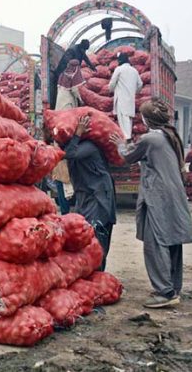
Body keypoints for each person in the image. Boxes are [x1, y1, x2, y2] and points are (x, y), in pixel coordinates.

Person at [110, 98, 192, 309]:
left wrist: (120, 144)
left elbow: (128, 156)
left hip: (158, 196)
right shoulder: (170, 135)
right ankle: (173, 287)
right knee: (172, 240)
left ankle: (164, 292)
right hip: (174, 195)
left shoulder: (150, 139)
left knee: (155, 243)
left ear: (147, 119)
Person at [62, 114, 117, 271]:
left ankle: (98, 274)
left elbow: (69, 154)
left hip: (99, 198)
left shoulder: (89, 147)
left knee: (98, 237)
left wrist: (77, 134)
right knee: (84, 236)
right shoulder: (78, 145)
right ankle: (92, 271)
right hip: (86, 196)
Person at [54, 39, 96, 110]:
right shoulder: (72, 50)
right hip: (62, 71)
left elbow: (86, 59)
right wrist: (81, 100)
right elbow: (65, 62)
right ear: (81, 46)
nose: (84, 51)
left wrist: (93, 68)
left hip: (66, 77)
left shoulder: (81, 50)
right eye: (84, 49)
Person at [109, 52, 143, 139]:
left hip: (121, 100)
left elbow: (112, 84)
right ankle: (128, 139)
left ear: (120, 60)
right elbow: (140, 84)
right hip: (131, 100)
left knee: (124, 125)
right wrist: (134, 91)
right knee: (128, 122)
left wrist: (111, 90)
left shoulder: (119, 69)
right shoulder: (134, 71)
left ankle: (127, 140)